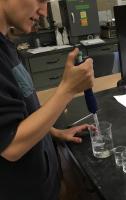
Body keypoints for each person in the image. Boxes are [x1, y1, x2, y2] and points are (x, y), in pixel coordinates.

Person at [0, 0, 94, 199]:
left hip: (43, 183)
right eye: (41, 0)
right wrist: (68, 89)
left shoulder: (5, 44)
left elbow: (20, 112)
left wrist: (54, 132)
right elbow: (11, 146)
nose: (43, 11)